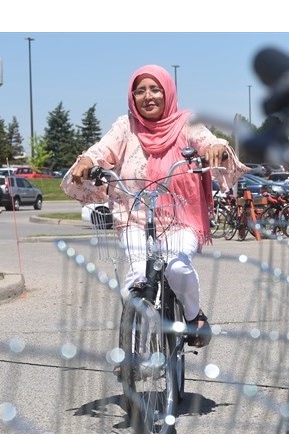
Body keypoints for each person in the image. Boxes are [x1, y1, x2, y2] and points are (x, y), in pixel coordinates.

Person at [63, 65, 251, 348]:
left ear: (167, 92)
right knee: (137, 277)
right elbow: (103, 149)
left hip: (180, 217)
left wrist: (216, 149)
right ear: (132, 96)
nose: (148, 96)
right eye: (140, 91)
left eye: (155, 89)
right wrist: (88, 161)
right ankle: (132, 351)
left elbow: (207, 141)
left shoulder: (186, 122)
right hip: (134, 216)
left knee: (176, 268)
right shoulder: (126, 126)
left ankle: (193, 316)